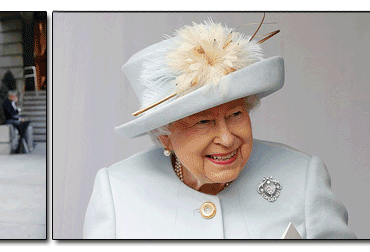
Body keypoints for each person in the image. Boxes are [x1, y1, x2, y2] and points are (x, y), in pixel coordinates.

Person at [83, 19, 356, 239]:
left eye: (236, 114)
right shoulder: (118, 190)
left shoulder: (302, 177)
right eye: (203, 122)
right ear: (164, 136)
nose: (227, 139)